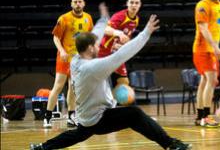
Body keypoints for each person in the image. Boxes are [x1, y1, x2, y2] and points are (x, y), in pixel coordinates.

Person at [30, 10, 191, 150]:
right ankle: (170, 144)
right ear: (91, 48)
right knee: (135, 114)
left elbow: (96, 36)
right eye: (96, 45)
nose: (99, 47)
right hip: (98, 118)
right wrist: (146, 33)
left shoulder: (76, 60)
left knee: (77, 135)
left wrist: (103, 20)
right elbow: (122, 55)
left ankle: (43, 147)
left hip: (87, 116)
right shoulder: (91, 68)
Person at [44, 0, 94, 128]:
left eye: (80, 2)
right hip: (64, 58)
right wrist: (62, 51)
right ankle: (47, 116)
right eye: (75, 2)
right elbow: (55, 38)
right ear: (71, 4)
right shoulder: (64, 18)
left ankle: (71, 116)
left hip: (79, 60)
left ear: (84, 4)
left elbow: (89, 37)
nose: (78, 4)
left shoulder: (88, 18)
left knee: (73, 87)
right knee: (58, 86)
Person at [193, 0, 220, 127]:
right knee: (211, 81)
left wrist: (215, 47)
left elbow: (216, 30)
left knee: (204, 82)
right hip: (203, 49)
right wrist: (216, 47)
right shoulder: (203, 5)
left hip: (210, 50)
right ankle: (206, 116)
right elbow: (204, 29)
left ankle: (200, 117)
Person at [98, 0, 141, 100]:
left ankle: (114, 103)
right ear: (127, 4)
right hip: (103, 52)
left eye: (136, 3)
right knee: (99, 83)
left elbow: (126, 38)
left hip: (117, 53)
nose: (133, 5)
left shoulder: (136, 20)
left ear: (140, 5)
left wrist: (124, 44)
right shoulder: (120, 16)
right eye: (131, 2)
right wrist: (118, 33)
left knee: (124, 82)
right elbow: (105, 29)